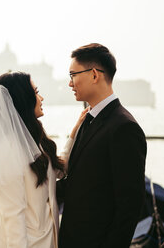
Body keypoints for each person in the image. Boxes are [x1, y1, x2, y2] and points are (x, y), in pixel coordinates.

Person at [0, 71, 85, 248]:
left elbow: (58, 171)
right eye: (35, 92)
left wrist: (74, 134)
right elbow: (13, 218)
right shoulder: (6, 152)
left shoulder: (35, 141)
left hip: (46, 240)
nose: (41, 98)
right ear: (23, 99)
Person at [57, 43, 147, 248]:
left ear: (94, 75)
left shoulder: (124, 127)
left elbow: (130, 205)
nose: (70, 83)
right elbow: (77, 184)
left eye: (73, 75)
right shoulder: (88, 120)